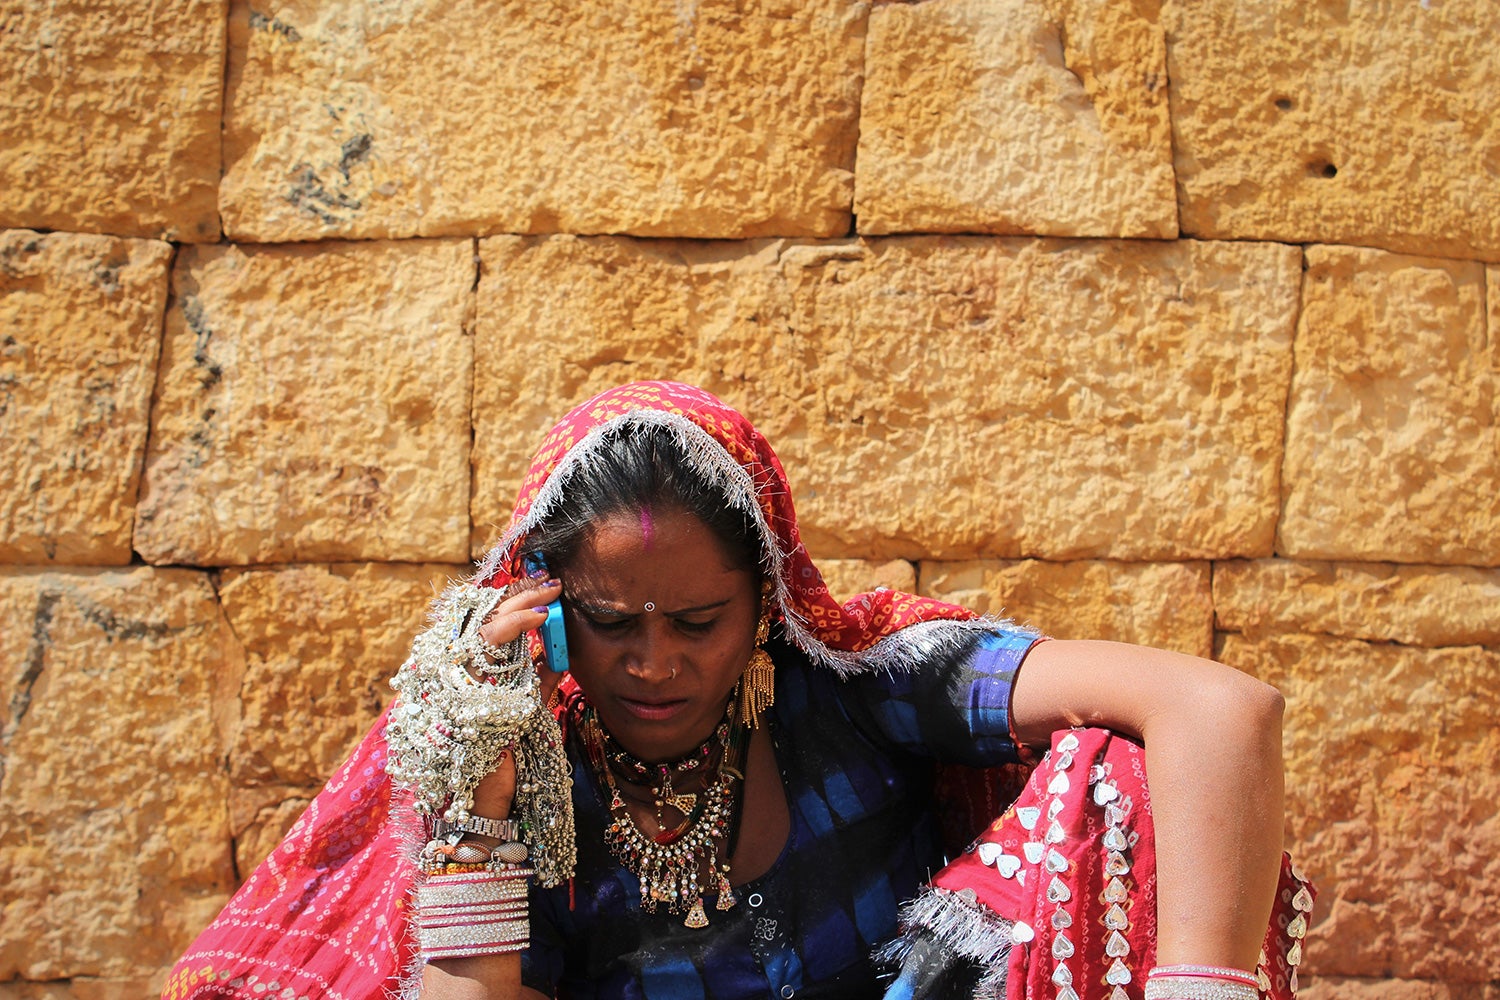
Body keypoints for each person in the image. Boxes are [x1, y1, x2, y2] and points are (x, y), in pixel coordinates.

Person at [163, 381, 1310, 1000]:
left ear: (765, 605)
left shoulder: (859, 682)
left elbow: (1221, 710)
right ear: (548, 607)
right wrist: (481, 814)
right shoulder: (519, 762)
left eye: (698, 623)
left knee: (1117, 777)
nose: (654, 664)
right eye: (610, 624)